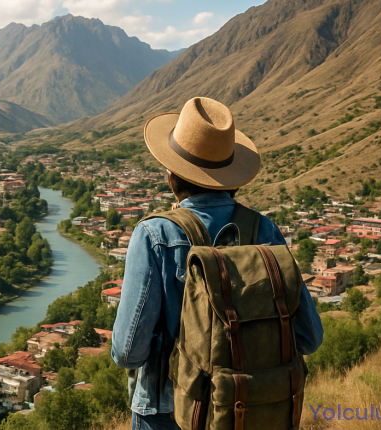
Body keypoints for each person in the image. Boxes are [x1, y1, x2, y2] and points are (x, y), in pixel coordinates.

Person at [111, 97, 324, 430]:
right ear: (232, 178)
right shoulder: (264, 230)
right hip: (249, 411)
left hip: (168, 414)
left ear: (172, 177)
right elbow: (310, 338)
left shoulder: (154, 234)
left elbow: (128, 353)